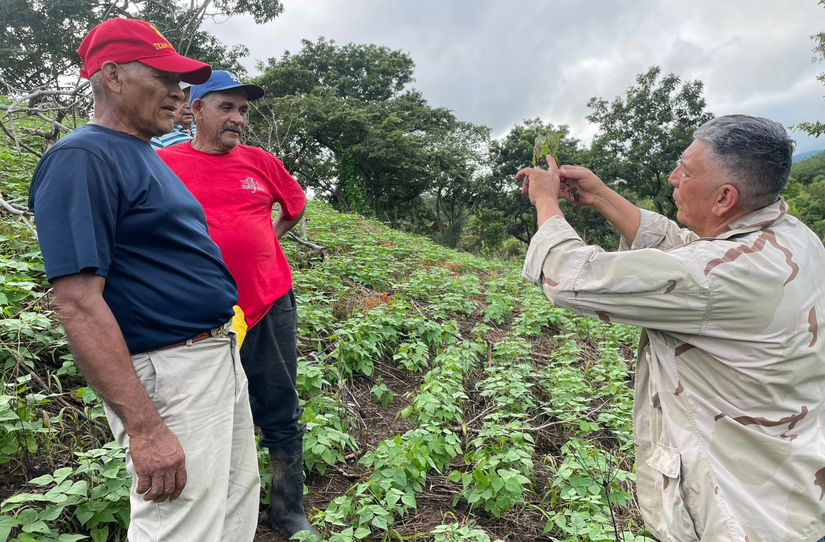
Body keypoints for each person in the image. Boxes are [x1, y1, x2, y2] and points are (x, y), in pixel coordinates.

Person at [518, 115, 825, 542]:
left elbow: (569, 277)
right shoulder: (793, 236)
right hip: (796, 499)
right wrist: (602, 197)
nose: (673, 177)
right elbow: (688, 253)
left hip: (744, 521)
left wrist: (545, 201)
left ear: (724, 198)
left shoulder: (718, 277)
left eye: (686, 170)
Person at [28, 19, 260, 542]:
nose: (180, 93)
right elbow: (78, 303)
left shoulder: (142, 154)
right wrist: (146, 427)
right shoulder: (82, 158)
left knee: (229, 508)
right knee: (180, 526)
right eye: (165, 77)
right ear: (112, 76)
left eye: (183, 82)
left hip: (213, 357)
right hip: (170, 373)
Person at [157, 70, 317, 539]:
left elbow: (295, 203)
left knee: (280, 405)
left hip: (268, 302)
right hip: (203, 315)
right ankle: (221, 505)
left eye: (243, 110)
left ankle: (288, 509)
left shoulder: (260, 162)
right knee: (212, 412)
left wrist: (269, 236)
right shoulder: (166, 163)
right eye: (226, 107)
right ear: (196, 108)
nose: (238, 119)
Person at [150, 82, 196, 149]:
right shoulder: (159, 136)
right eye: (182, 100)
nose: (188, 105)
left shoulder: (201, 130)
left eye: (191, 99)